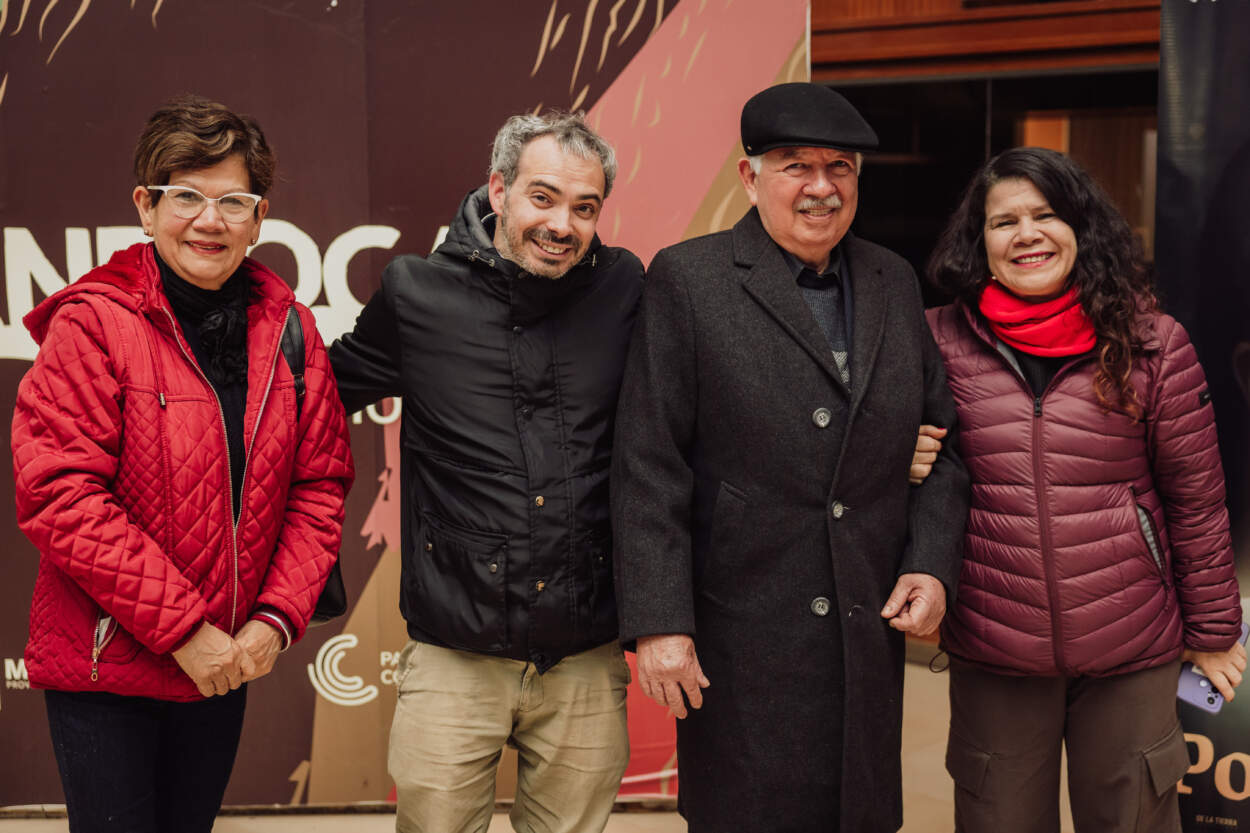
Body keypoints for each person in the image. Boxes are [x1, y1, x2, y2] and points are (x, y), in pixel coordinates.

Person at [610, 82, 970, 833]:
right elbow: (650, 464)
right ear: (749, 176)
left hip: (862, 629)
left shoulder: (892, 279)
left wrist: (931, 562)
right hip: (740, 638)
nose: (819, 187)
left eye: (839, 167)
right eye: (794, 165)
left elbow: (943, 446)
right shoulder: (688, 279)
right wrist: (660, 622)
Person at [11, 95, 354, 833]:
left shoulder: (291, 330)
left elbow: (318, 486)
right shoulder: (94, 322)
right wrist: (184, 632)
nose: (210, 220)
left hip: (223, 668)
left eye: (234, 200)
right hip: (111, 669)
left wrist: (274, 620)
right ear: (146, 205)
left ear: (260, 219)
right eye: (187, 196)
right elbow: (59, 494)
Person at [327, 111, 644, 833]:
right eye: (543, 197)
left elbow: (695, 409)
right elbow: (314, 392)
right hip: (453, 654)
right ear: (498, 189)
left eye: (584, 207)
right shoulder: (416, 295)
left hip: (586, 654)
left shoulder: (622, 289)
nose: (562, 223)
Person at [922, 146, 1244, 833]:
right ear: (980, 242)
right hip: (995, 642)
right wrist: (900, 455)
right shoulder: (937, 342)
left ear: (1082, 226)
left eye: (1046, 214)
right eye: (1004, 221)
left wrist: (1214, 630)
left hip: (1130, 645)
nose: (1027, 234)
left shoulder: (1153, 341)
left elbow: (1197, 498)